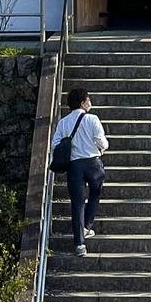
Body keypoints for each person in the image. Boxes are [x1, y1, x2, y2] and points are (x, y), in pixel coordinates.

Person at [50, 86, 109, 256]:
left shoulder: (63, 122)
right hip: (93, 163)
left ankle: (80, 245)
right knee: (95, 193)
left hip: (74, 166)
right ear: (83, 103)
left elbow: (55, 144)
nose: (90, 102)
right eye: (88, 99)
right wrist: (103, 148)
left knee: (77, 203)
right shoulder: (93, 119)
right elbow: (101, 142)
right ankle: (87, 225)